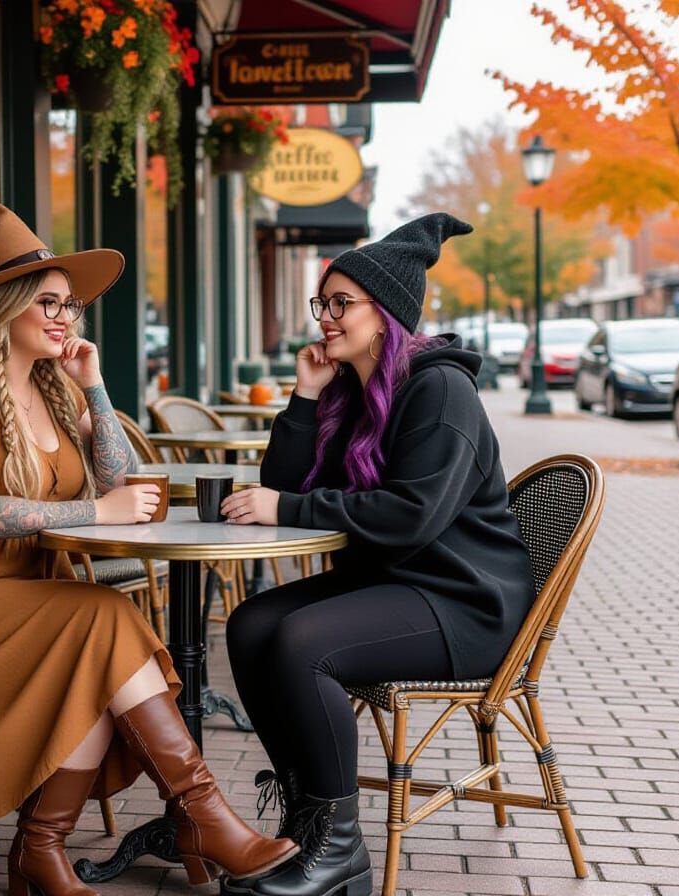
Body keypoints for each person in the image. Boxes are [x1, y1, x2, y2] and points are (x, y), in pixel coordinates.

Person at [0, 193, 298, 896]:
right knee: (103, 621)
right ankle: (200, 815)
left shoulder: (50, 388)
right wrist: (99, 508)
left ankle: (46, 846)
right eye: (52, 304)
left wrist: (93, 385)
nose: (67, 318)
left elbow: (122, 479)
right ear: (4, 307)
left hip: (21, 594)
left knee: (101, 639)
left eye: (72, 306)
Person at [217, 214, 537, 896]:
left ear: (384, 311)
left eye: (342, 303)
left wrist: (290, 508)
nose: (326, 317)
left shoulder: (441, 390)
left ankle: (338, 853)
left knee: (304, 643)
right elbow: (286, 482)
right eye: (322, 303)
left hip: (461, 602)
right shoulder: (352, 392)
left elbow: (411, 515)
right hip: (395, 585)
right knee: (250, 626)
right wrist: (305, 398)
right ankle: (309, 822)